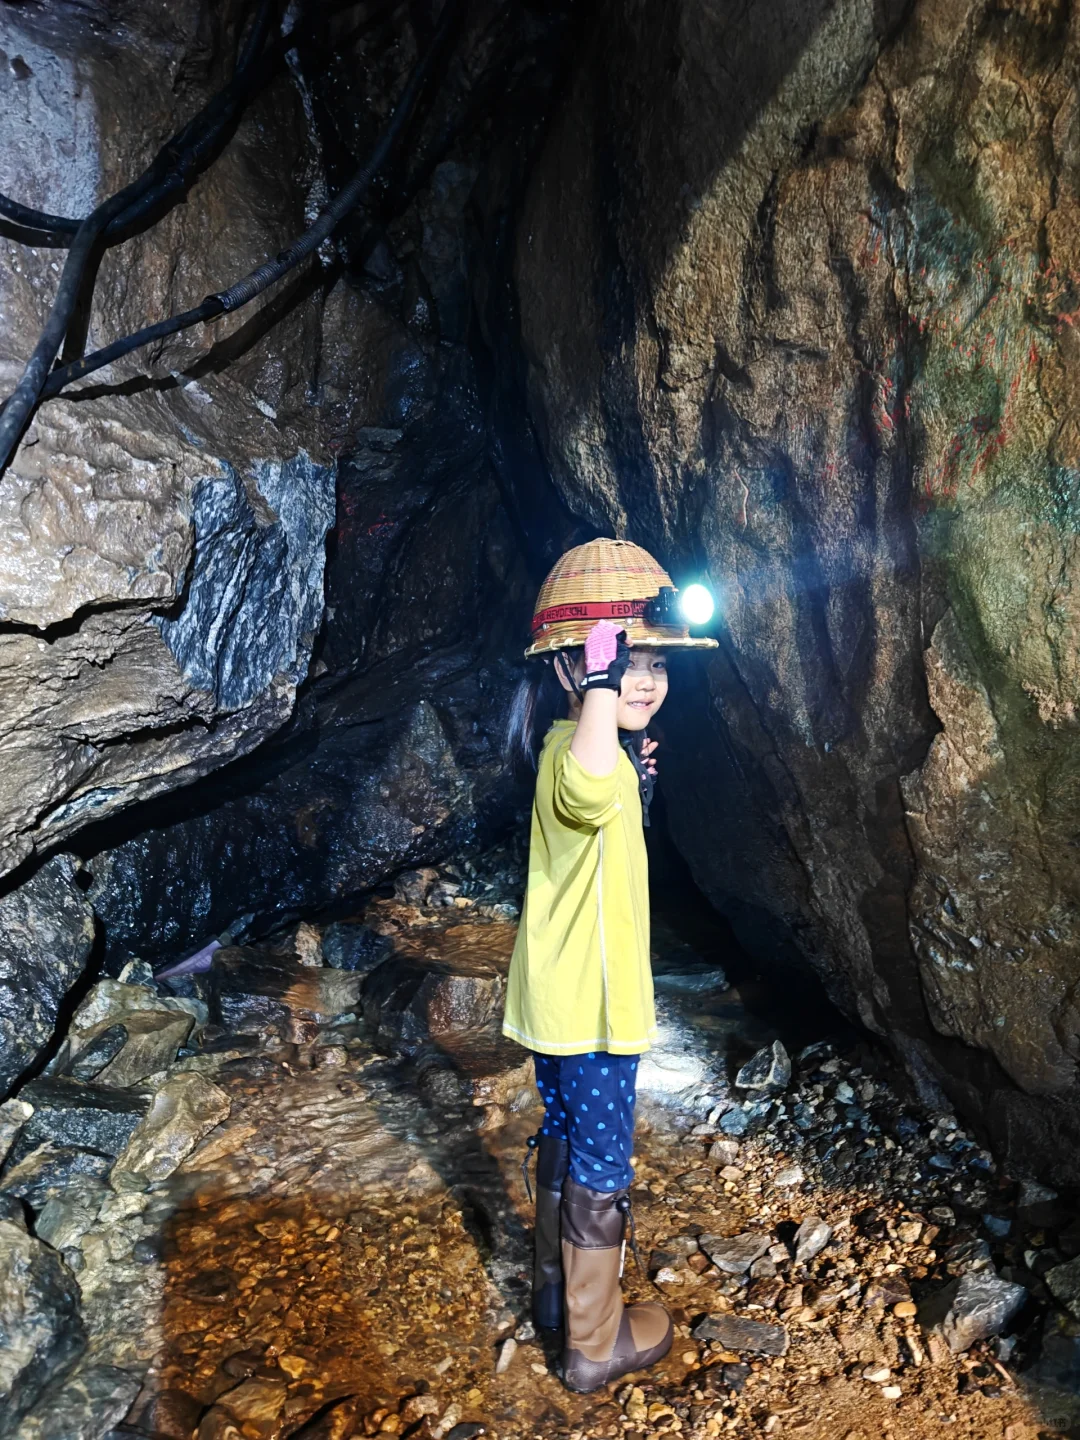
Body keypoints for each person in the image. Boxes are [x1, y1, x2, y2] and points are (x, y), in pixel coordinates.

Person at [503, 537, 716, 1394]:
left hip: (556, 1002)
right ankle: (593, 1344)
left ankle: (555, 1299)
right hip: (593, 1011)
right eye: (623, 659)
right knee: (601, 1160)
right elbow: (587, 790)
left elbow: (601, 810)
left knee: (563, 1135)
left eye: (654, 661)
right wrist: (601, 689)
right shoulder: (578, 753)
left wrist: (637, 769)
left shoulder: (591, 751)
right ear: (569, 669)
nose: (644, 677)